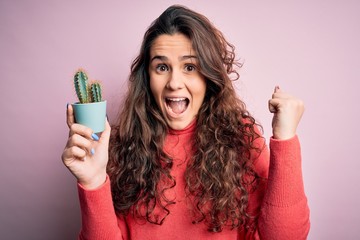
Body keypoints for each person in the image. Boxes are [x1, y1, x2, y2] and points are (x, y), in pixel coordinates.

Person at [62, 5, 310, 240]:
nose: (174, 82)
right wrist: (93, 182)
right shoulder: (119, 147)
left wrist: (285, 139)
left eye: (189, 66)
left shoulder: (243, 141)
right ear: (147, 77)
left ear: (208, 77)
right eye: (161, 67)